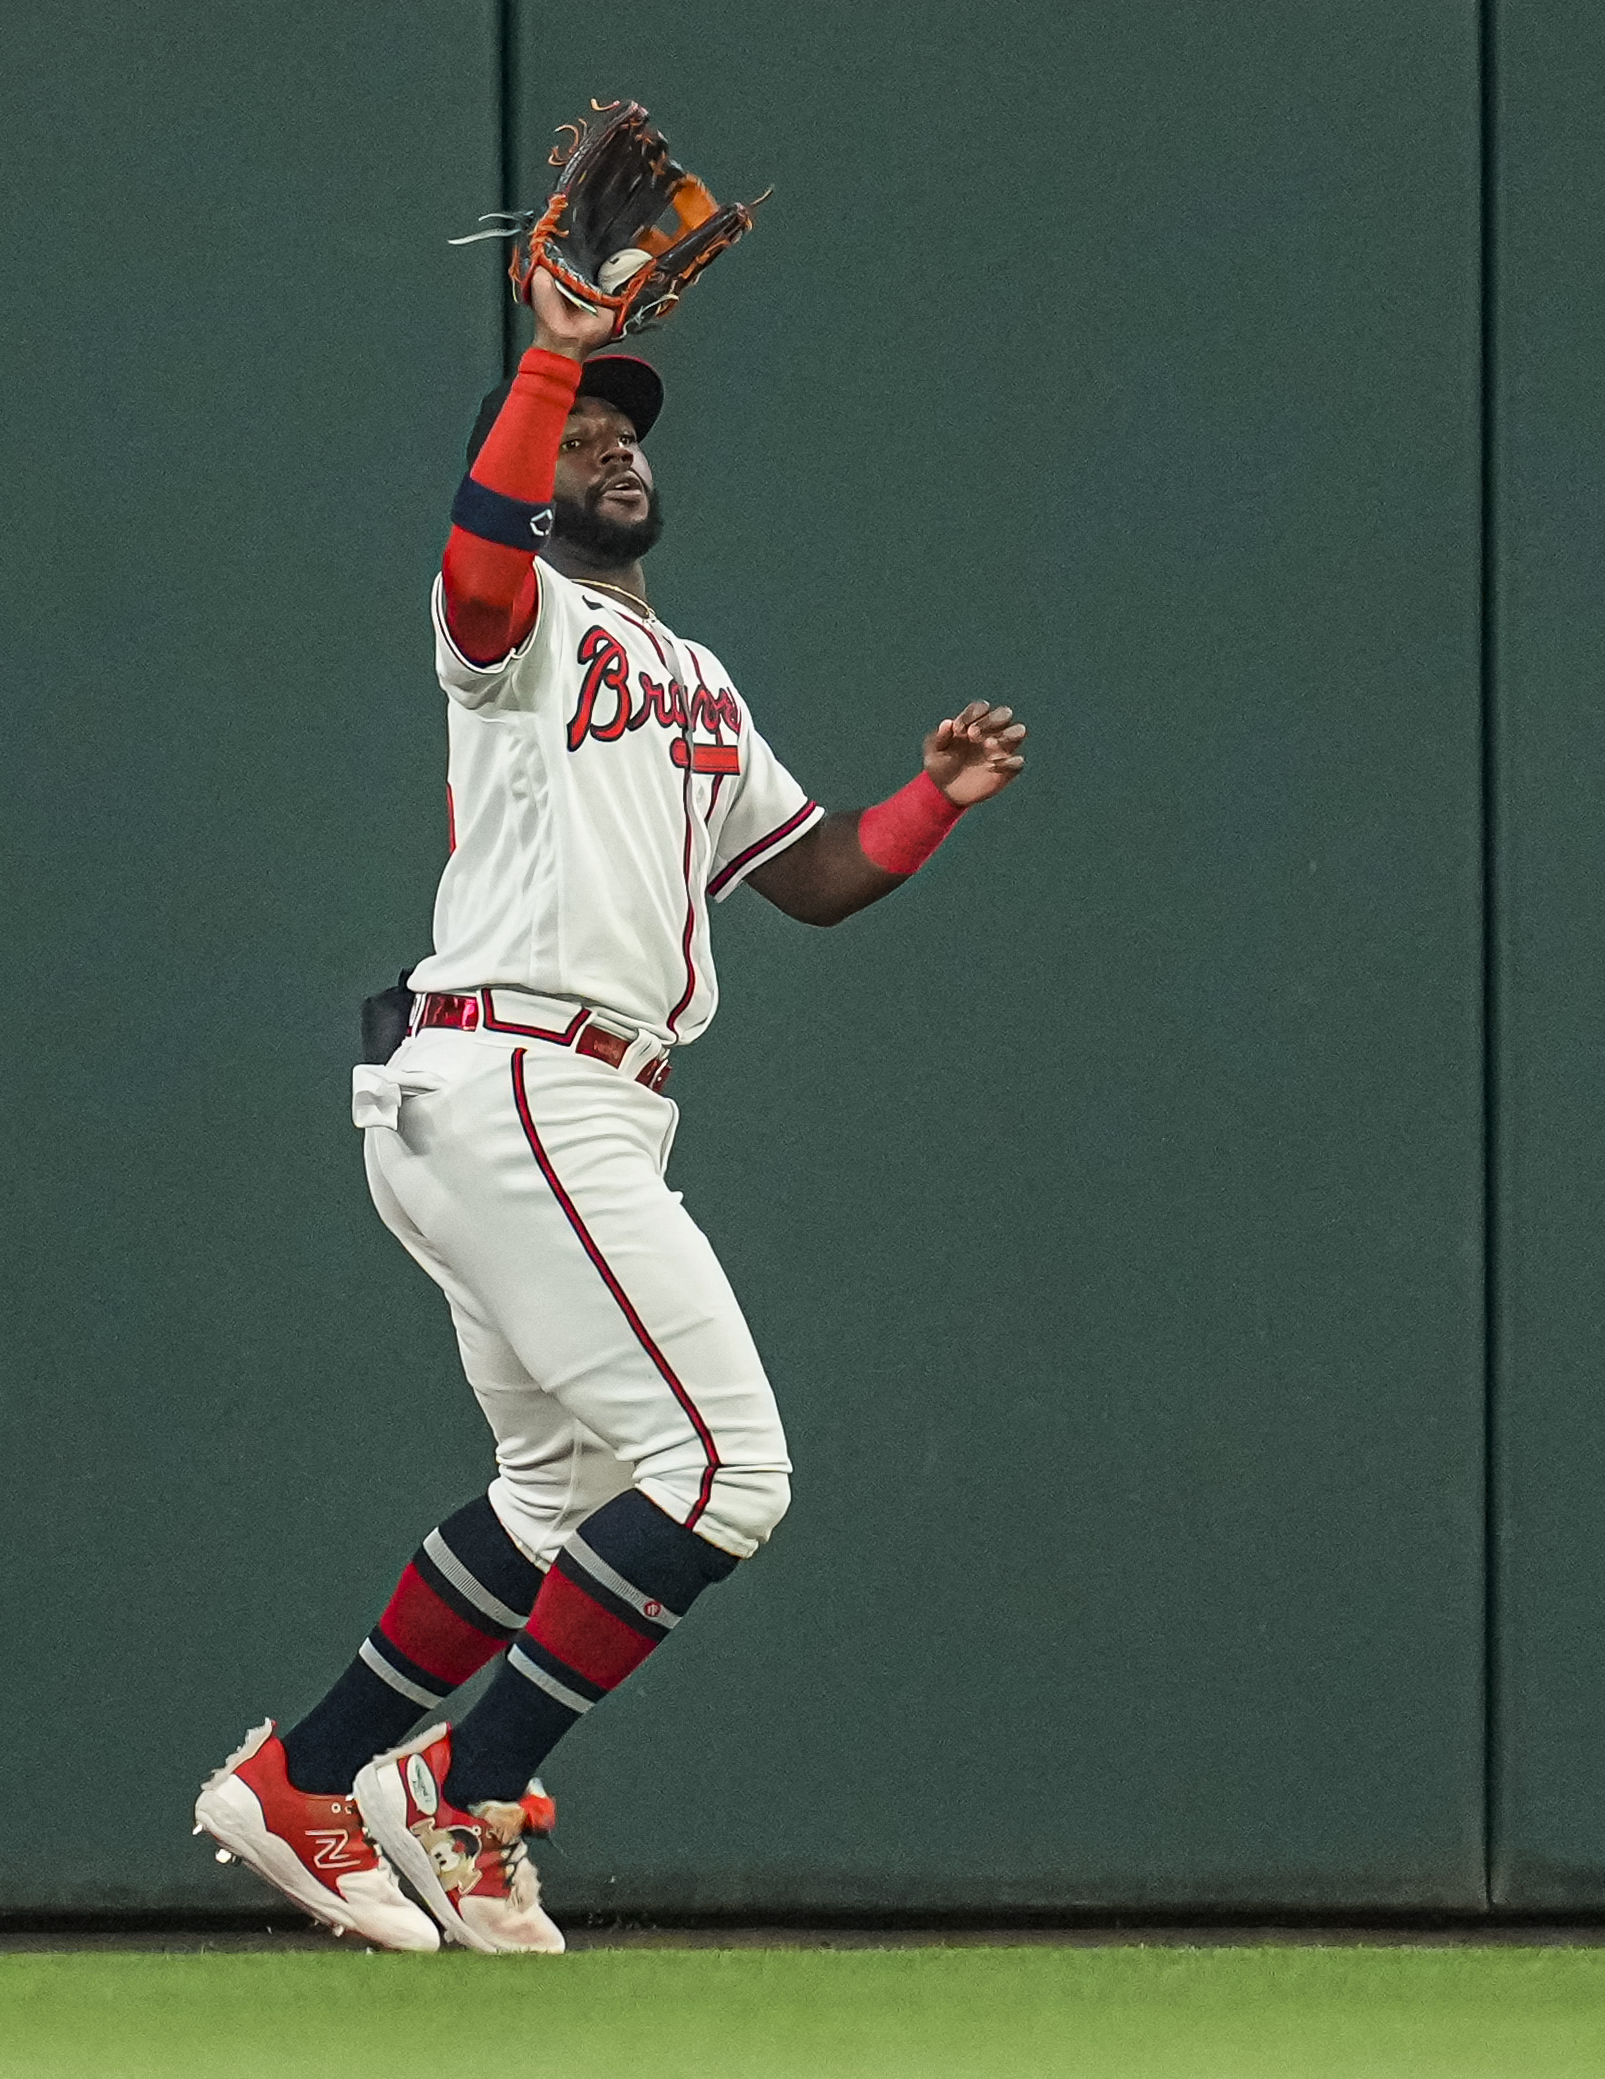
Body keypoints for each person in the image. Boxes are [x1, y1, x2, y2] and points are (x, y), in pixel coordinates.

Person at [193, 269, 1028, 1952]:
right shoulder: (515, 629)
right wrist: (548, 358)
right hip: (521, 1076)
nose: (609, 449)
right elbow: (480, 567)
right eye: (579, 434)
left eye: (622, 432)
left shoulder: (698, 677)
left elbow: (810, 876)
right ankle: (464, 1786)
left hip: (557, 1103)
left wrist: (925, 806)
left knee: (555, 1498)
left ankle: (308, 1775)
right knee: (725, 1470)